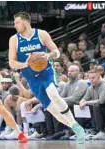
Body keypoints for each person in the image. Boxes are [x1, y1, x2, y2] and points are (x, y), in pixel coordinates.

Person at [8, 12, 85, 144]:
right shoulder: (14, 39)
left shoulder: (41, 34)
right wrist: (25, 64)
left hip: (46, 72)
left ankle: (76, 127)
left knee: (54, 95)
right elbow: (11, 62)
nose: (15, 25)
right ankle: (74, 126)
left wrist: (47, 56)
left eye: (17, 22)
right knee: (51, 109)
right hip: (32, 78)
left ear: (25, 22)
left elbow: (56, 52)